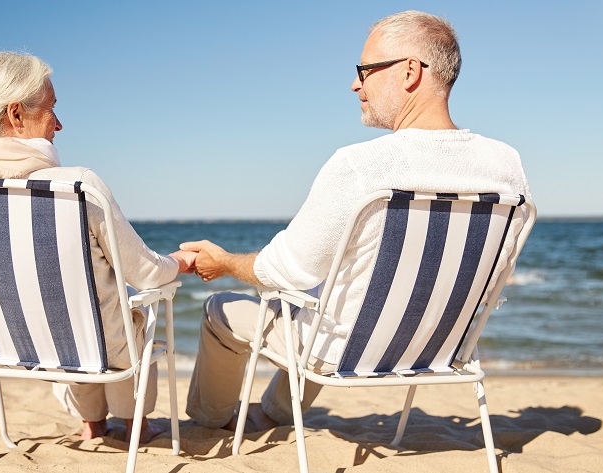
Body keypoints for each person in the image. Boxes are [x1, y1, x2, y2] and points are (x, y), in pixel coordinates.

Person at [180, 10, 532, 431]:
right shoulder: (505, 164)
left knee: (222, 310)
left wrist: (224, 263)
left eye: (364, 71)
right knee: (333, 289)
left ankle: (209, 423)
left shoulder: (361, 165)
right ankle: (274, 412)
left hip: (347, 353)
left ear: (409, 72)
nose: (355, 84)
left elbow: (285, 270)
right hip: (439, 348)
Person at [0, 51, 196, 443]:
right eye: (52, 109)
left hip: (12, 347)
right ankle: (135, 423)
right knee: (122, 316)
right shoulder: (76, 186)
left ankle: (91, 423)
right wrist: (180, 261)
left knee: (67, 309)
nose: (59, 123)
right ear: (16, 115)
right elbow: (145, 273)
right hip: (100, 350)